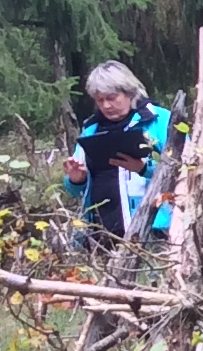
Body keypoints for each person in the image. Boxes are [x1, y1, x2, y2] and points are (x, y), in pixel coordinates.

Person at [63, 62, 180, 239]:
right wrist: (76, 180)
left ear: (130, 92)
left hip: (155, 230)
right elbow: (76, 191)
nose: (106, 105)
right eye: (100, 100)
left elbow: (187, 170)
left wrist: (144, 168)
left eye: (111, 98)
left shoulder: (160, 121)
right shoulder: (91, 130)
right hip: (100, 235)